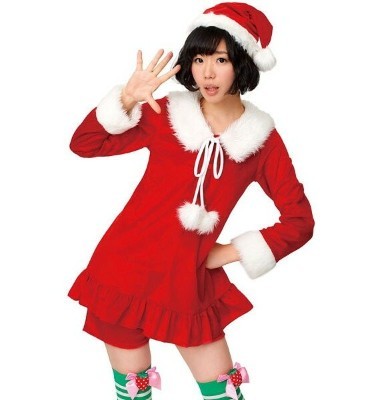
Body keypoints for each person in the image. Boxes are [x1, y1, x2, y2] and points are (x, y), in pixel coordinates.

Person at [68, 2, 314, 399]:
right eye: (199, 59)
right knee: (134, 394)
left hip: (187, 282)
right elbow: (85, 144)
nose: (207, 73)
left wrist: (229, 252)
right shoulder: (165, 113)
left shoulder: (262, 141)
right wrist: (127, 99)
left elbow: (300, 221)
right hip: (123, 270)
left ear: (243, 63)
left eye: (221, 59)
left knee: (224, 393)